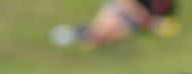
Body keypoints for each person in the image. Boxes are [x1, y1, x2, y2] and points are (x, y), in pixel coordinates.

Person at [50, 0, 179, 49]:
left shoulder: (168, 5)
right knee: (109, 23)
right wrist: (141, 14)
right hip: (121, 10)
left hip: (132, 22)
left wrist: (149, 22)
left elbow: (161, 21)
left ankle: (83, 34)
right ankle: (87, 35)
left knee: (114, 30)